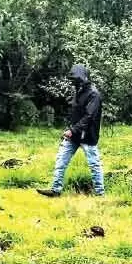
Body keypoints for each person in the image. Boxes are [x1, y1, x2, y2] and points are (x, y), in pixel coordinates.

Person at [37, 64, 104, 197]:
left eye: (76, 80)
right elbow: (75, 113)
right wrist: (70, 129)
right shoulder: (78, 91)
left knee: (94, 164)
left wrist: (72, 130)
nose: (74, 82)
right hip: (74, 135)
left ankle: (100, 194)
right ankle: (55, 190)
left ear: (83, 77)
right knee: (61, 160)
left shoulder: (94, 94)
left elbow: (89, 116)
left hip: (87, 136)